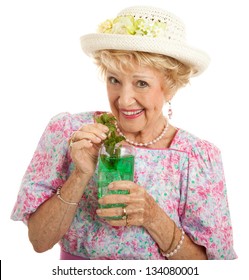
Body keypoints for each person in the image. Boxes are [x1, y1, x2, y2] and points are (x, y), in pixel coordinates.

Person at [11, 5, 237, 260]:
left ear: (170, 87)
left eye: (141, 83)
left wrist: (154, 217)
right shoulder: (69, 133)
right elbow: (39, 241)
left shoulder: (196, 158)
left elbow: (217, 270)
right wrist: (80, 175)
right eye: (114, 80)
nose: (124, 100)